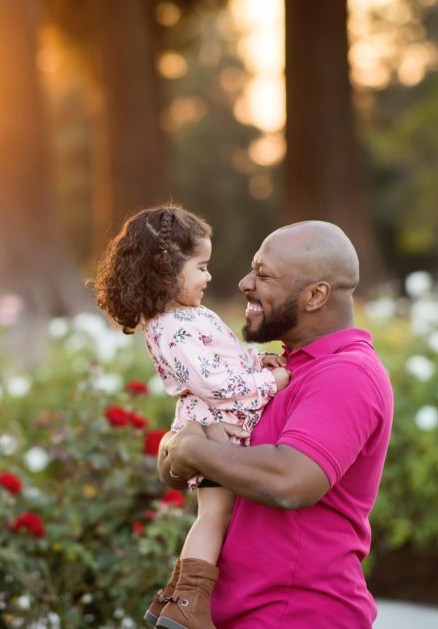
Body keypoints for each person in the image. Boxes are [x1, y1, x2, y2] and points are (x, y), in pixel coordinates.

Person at [158, 220, 394, 628]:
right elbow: (177, 458)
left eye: (264, 274)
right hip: (237, 614)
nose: (244, 283)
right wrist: (181, 451)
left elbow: (291, 480)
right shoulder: (271, 372)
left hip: (299, 616)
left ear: (316, 295)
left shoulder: (346, 374)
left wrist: (192, 450)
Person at [93, 206, 291, 629]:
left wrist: (258, 362)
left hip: (216, 420)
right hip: (214, 424)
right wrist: (272, 384)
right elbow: (215, 383)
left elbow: (226, 360)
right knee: (213, 515)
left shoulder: (183, 319)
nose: (209, 277)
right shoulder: (172, 327)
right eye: (201, 267)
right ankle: (186, 605)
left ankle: (172, 599)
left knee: (219, 515)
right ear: (166, 272)